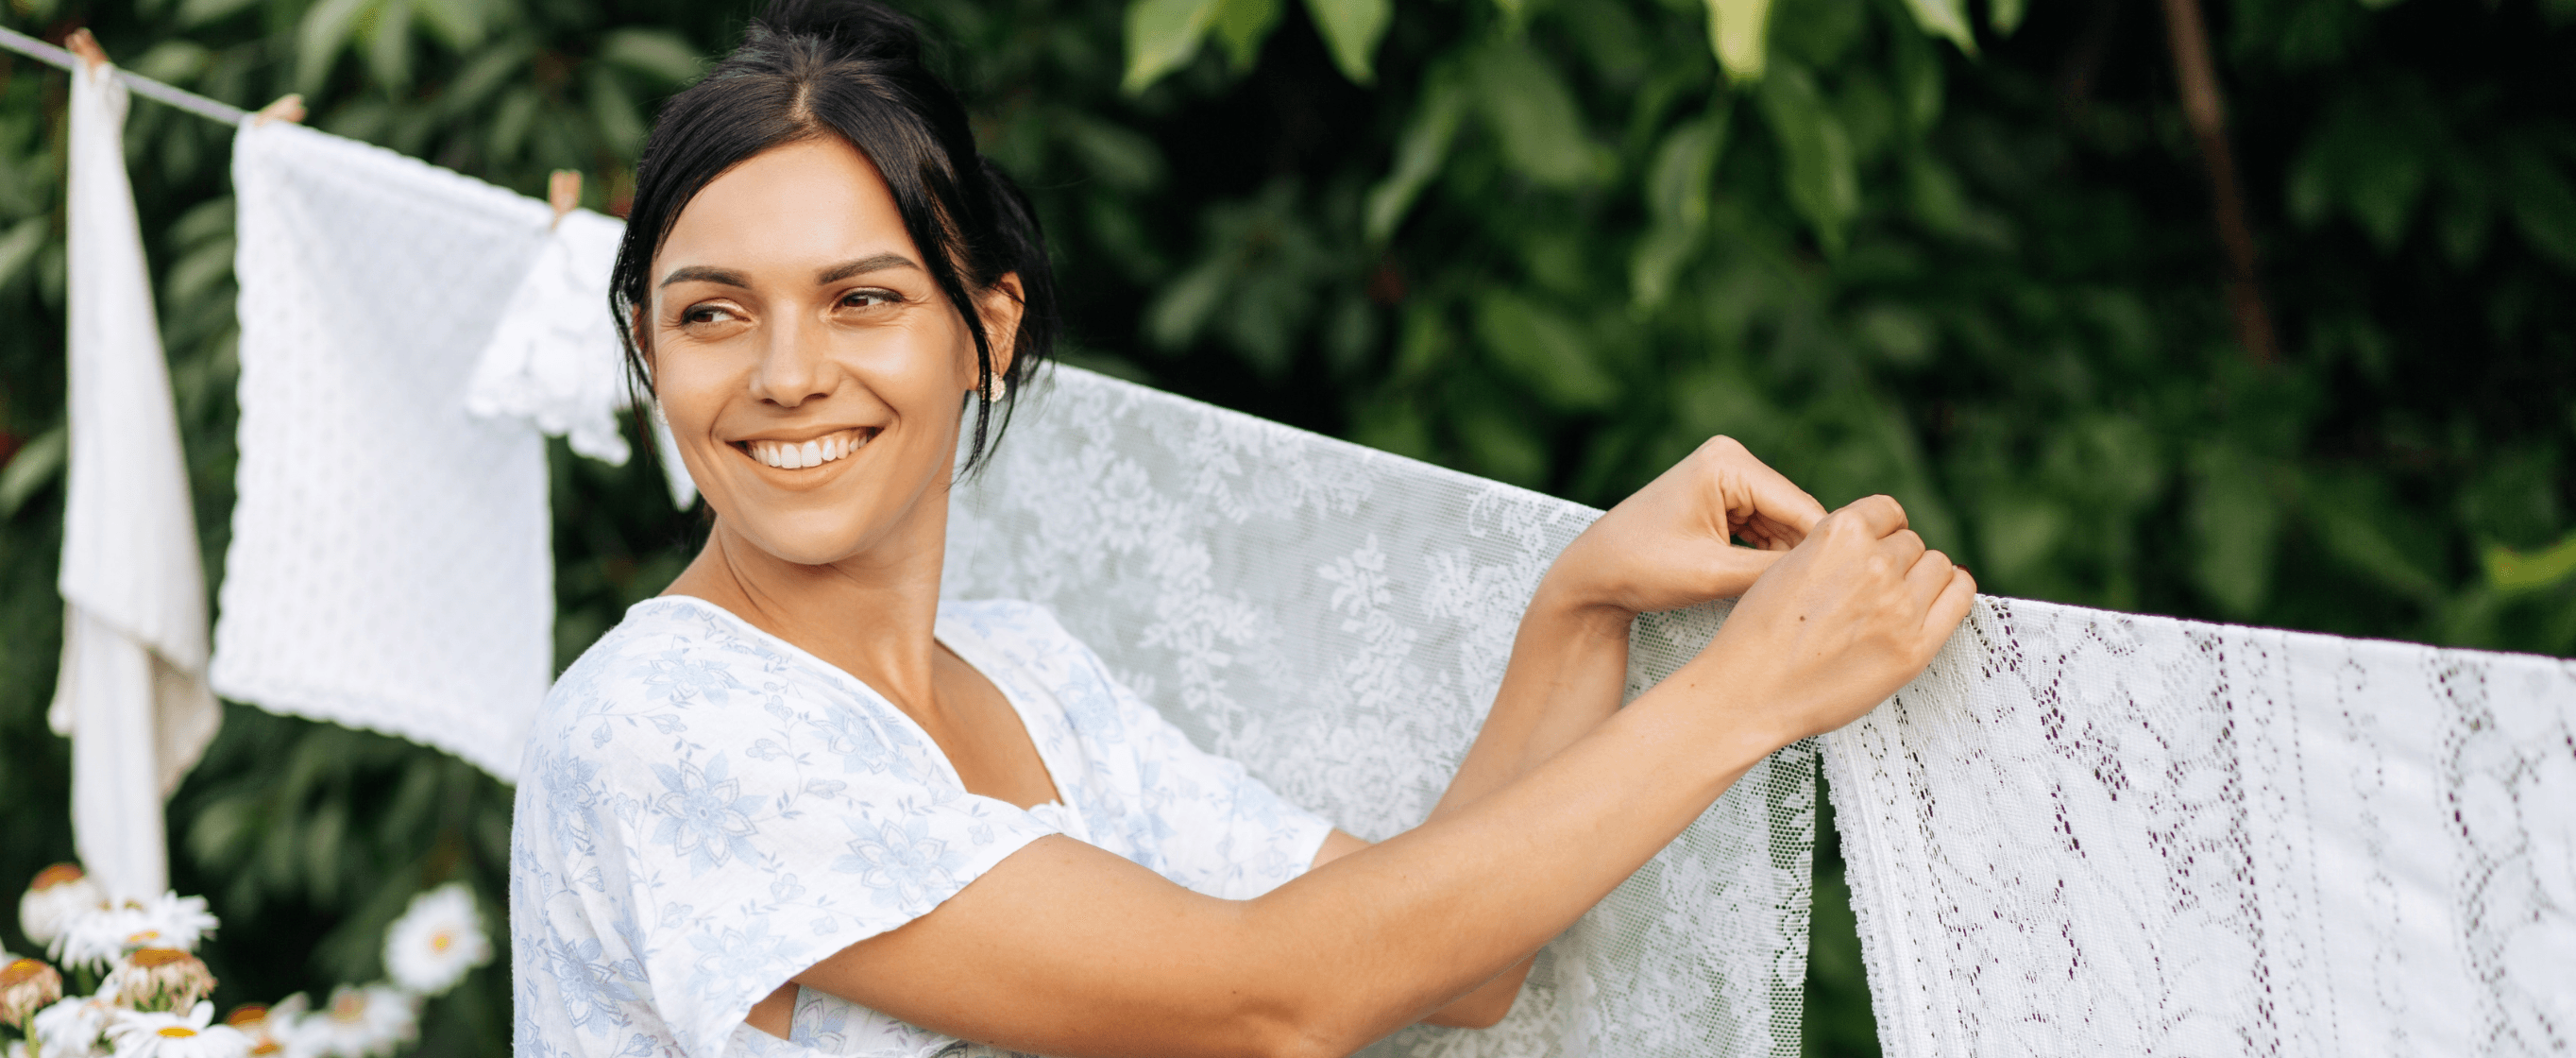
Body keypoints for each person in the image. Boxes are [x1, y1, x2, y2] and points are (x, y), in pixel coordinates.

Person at [506, 2, 1976, 1056]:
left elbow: (1439, 963)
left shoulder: (1029, 682)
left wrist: (1578, 608)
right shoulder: (668, 730)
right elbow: (1266, 1002)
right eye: (712, 315)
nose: (782, 374)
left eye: (862, 298)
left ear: (987, 330)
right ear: (650, 349)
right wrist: (1746, 696)